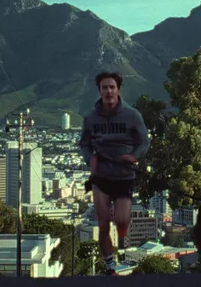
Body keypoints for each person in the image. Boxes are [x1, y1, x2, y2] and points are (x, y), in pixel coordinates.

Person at [79, 71, 150, 276]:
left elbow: (144, 141)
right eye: (104, 87)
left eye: (112, 87)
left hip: (124, 176)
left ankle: (121, 229)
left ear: (118, 89)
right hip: (101, 176)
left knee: (122, 220)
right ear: (99, 91)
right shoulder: (90, 118)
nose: (108, 91)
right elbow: (84, 144)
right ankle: (110, 267)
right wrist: (89, 158)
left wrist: (135, 156)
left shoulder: (132, 115)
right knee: (102, 223)